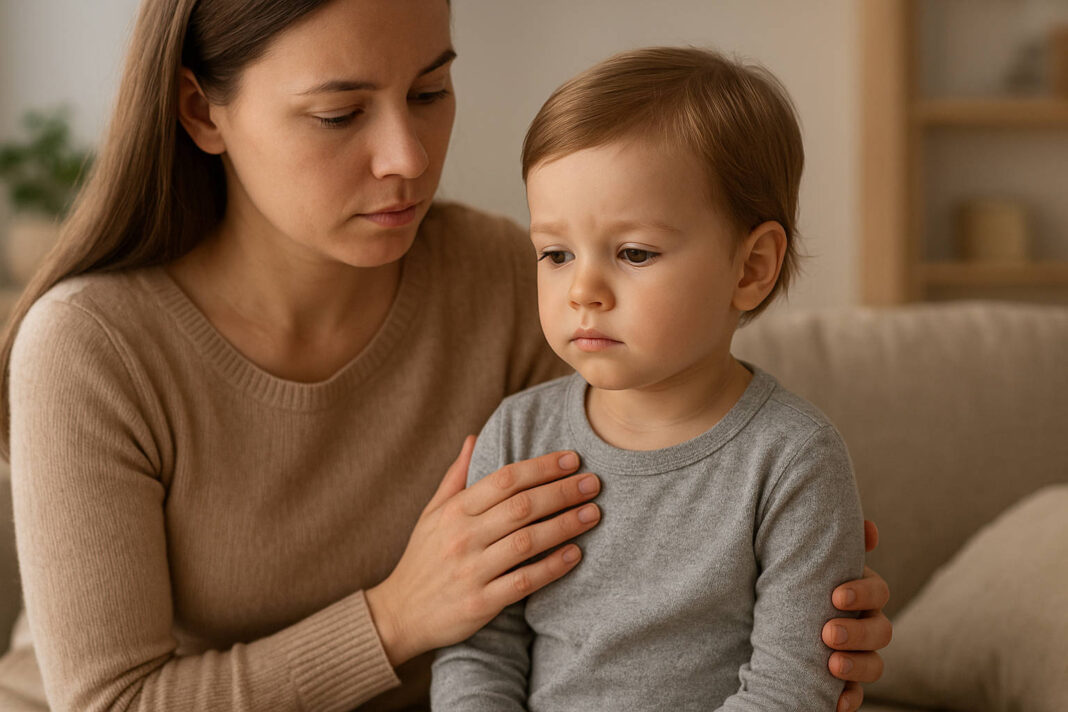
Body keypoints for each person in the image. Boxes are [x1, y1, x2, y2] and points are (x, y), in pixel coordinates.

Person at [0, 2, 891, 711]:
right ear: (202, 111)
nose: (408, 157)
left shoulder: (510, 279)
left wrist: (802, 617)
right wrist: (396, 617)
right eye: (340, 112)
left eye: (430, 93)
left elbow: (628, 554)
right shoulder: (90, 347)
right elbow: (114, 701)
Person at [432, 48, 867, 710]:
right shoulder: (517, 435)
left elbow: (791, 684)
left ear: (751, 268)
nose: (583, 290)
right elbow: (478, 652)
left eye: (634, 253)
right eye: (556, 253)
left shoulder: (795, 458)